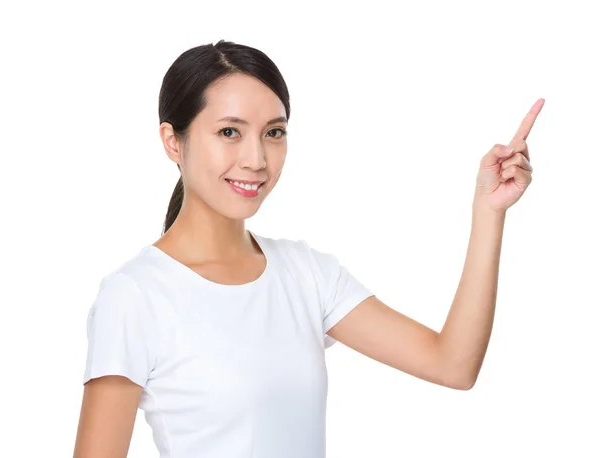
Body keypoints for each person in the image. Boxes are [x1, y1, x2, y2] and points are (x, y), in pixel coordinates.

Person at [73, 39, 544, 458]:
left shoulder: (306, 274)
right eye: (229, 132)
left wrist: (489, 211)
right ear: (173, 142)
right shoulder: (134, 296)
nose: (256, 160)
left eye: (273, 133)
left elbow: (453, 364)